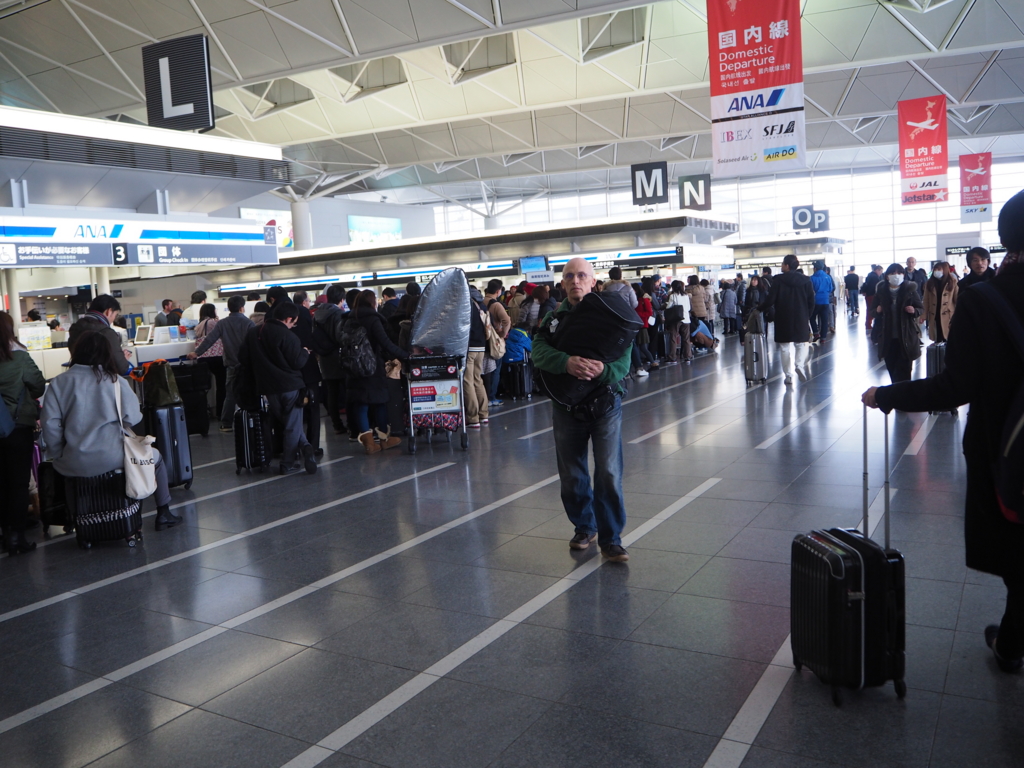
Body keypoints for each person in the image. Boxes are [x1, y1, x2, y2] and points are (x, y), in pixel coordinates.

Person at [862, 189, 1024, 674]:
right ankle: (1013, 640)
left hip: (1007, 453)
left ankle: (1013, 642)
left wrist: (887, 395)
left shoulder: (986, 299)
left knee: (1018, 547)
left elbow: (956, 388)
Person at [532, 257, 632, 563]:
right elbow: (538, 352)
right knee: (572, 473)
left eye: (582, 276)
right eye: (569, 276)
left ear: (593, 282)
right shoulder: (552, 320)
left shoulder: (612, 316)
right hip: (566, 406)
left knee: (609, 472)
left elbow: (623, 361)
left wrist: (602, 369)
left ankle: (611, 538)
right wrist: (566, 362)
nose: (576, 280)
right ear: (562, 284)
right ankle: (584, 526)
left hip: (605, 405)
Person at [41, 331, 179, 531]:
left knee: (69, 473)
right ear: (106, 354)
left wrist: (59, 454)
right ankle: (164, 512)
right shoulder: (116, 381)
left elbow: (50, 425)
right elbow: (133, 417)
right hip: (113, 458)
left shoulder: (58, 383)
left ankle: (75, 519)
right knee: (155, 458)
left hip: (74, 460)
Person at [238, 301, 317, 475]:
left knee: (289, 423)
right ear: (289, 319)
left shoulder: (253, 333)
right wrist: (304, 352)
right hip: (290, 386)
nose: (293, 325)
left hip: (267, 387)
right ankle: (287, 463)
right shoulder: (288, 336)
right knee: (291, 424)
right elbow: (297, 362)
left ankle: (306, 447)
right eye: (293, 322)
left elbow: (242, 357)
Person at [0, 312, 45, 553]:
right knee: (18, 484)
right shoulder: (19, 357)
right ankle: (16, 538)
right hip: (17, 427)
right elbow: (37, 384)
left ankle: (4, 532)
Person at [345, 290, 408, 453]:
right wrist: (405, 356)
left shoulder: (347, 320)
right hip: (372, 366)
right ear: (373, 303)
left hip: (353, 367)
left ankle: (369, 443)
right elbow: (385, 343)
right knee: (380, 402)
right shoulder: (373, 319)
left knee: (361, 403)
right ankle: (384, 439)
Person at [188, 296, 253, 433]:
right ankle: (251, 421)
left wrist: (197, 353)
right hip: (248, 365)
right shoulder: (248, 323)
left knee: (230, 394)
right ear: (242, 308)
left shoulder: (222, 324)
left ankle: (226, 423)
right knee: (250, 392)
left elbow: (209, 340)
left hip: (231, 364)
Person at [759, 254, 814, 385]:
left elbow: (770, 299)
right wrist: (807, 315)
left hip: (783, 316)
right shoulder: (806, 280)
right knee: (800, 344)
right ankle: (799, 365)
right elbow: (811, 301)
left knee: (784, 347)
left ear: (787, 266)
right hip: (801, 316)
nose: (781, 266)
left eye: (783, 264)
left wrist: (760, 308)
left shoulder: (778, 280)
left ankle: (788, 375)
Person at [874, 263, 923, 383]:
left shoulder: (910, 290)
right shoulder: (881, 292)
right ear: (887, 276)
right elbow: (872, 311)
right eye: (893, 273)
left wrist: (914, 310)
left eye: (899, 273)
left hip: (906, 337)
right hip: (888, 338)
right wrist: (877, 310)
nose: (896, 276)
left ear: (903, 275)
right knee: (892, 369)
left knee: (905, 371)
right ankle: (896, 396)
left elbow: (920, 308)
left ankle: (905, 397)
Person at [313, 284, 349, 436]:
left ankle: (337, 425)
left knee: (331, 392)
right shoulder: (337, 314)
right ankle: (351, 425)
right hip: (338, 356)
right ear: (342, 299)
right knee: (346, 391)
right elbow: (340, 337)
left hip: (324, 357)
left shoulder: (317, 314)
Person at [290, 291, 323, 457]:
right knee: (313, 408)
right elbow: (311, 338)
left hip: (291, 369)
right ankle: (313, 445)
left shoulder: (285, 319)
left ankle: (294, 446)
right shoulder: (304, 314)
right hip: (308, 367)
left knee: (293, 409)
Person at [68, 295, 133, 376]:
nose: (113, 319)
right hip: (100, 381)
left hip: (77, 379)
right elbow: (121, 368)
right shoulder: (107, 333)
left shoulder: (75, 328)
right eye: (115, 315)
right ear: (109, 311)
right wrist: (123, 359)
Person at [193, 303, 227, 422]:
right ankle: (220, 412)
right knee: (222, 385)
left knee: (204, 388)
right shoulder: (212, 322)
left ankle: (203, 413)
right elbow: (219, 333)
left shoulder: (199, 324)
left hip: (203, 358)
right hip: (216, 357)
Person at [482, 279, 511, 407]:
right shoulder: (496, 305)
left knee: (484, 371)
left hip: (483, 341)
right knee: (495, 370)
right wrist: (502, 335)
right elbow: (507, 320)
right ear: (498, 291)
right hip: (495, 342)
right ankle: (492, 397)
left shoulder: (481, 302)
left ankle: (484, 396)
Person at [466, 285, 490, 429]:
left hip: (469, 348)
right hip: (481, 346)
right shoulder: (481, 304)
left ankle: (473, 418)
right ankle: (484, 415)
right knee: (477, 380)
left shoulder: (466, 304)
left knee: (467, 381)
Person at [923, 261, 959, 343]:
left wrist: (958, 314)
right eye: (935, 269)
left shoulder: (952, 282)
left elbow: (956, 299)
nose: (936, 271)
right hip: (934, 314)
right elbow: (926, 300)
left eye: (939, 269)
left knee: (949, 337)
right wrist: (923, 315)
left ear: (945, 270)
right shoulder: (930, 283)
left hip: (948, 314)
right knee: (937, 336)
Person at [632, 284, 657, 376]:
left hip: (642, 326)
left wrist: (638, 314)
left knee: (643, 347)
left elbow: (649, 312)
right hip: (636, 325)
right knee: (637, 347)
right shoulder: (635, 300)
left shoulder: (644, 299)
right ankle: (650, 362)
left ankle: (653, 362)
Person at [665, 280, 692, 363]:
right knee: (686, 339)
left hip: (676, 319)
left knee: (673, 338)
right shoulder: (686, 295)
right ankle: (687, 356)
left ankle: (672, 357)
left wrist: (666, 304)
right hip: (686, 318)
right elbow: (688, 308)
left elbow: (668, 307)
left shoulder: (673, 296)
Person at [810, 261, 835, 342]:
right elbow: (831, 288)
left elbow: (810, 290)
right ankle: (823, 338)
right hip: (825, 301)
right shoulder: (828, 277)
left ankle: (816, 333)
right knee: (824, 320)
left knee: (812, 317)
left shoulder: (812, 278)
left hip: (816, 301)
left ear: (815, 268)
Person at [862, 265, 883, 331]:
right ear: (877, 270)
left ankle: (868, 323)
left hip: (868, 295)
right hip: (872, 295)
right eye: (881, 271)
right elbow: (874, 287)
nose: (881, 273)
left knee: (869, 309)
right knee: (871, 309)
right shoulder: (875, 277)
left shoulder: (869, 275)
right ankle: (869, 324)